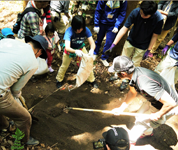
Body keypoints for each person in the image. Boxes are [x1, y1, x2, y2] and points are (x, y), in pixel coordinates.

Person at [109, 56, 178, 145]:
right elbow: (132, 93)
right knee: (139, 115)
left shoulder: (145, 84)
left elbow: (171, 103)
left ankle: (130, 142)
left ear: (123, 73)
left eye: (116, 72)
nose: (116, 75)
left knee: (141, 122)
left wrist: (158, 114)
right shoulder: (134, 73)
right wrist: (121, 108)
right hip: (154, 100)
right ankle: (148, 133)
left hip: (165, 105)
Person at [0, 35, 48, 146]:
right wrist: (18, 96)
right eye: (41, 54)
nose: (39, 56)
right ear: (39, 51)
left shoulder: (7, 41)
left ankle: (4, 126)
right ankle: (24, 140)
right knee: (24, 117)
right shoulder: (33, 62)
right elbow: (15, 90)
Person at [106, 1, 163, 91]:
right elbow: (125, 28)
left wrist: (148, 50)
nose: (141, 15)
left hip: (143, 45)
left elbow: (155, 35)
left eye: (144, 15)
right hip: (131, 40)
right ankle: (118, 74)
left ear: (152, 14)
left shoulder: (158, 19)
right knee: (123, 59)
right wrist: (114, 43)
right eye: (141, 12)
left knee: (135, 64)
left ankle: (126, 80)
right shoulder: (136, 12)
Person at [56, 15, 98, 89]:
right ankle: (59, 80)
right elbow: (67, 47)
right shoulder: (69, 31)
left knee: (87, 64)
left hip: (81, 48)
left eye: (81, 28)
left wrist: (91, 50)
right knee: (64, 66)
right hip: (70, 50)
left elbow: (92, 43)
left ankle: (92, 80)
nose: (80, 30)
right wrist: (75, 51)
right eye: (77, 29)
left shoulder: (86, 30)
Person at [93, 0, 127, 67]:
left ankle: (104, 57)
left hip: (113, 25)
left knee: (109, 42)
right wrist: (96, 24)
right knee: (98, 39)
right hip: (102, 22)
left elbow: (122, 13)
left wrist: (117, 25)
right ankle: (95, 52)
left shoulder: (123, 1)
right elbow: (98, 10)